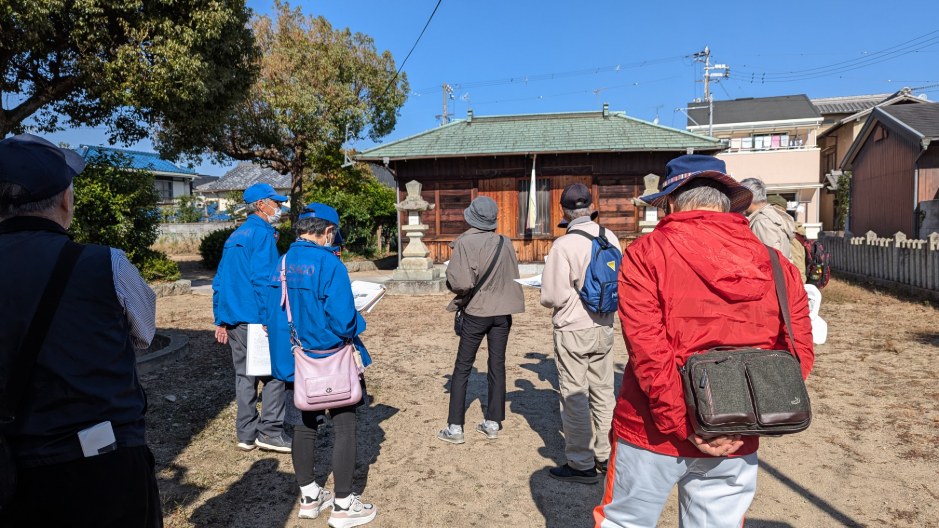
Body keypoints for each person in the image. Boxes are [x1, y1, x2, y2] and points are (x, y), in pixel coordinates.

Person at [594, 155, 814, 528]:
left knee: (625, 523)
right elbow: (796, 355)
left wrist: (688, 423)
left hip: (653, 427)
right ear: (727, 201)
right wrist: (734, 420)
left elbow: (648, 350)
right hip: (737, 429)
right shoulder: (778, 264)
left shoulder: (646, 254)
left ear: (672, 201)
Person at [0, 134, 162, 527]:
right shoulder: (107, 263)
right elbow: (144, 334)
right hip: (103, 467)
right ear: (65, 200)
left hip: (9, 470)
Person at [264, 203, 377, 527]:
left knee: (303, 424)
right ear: (328, 232)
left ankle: (310, 497)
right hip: (330, 359)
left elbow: (270, 314)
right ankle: (343, 505)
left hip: (293, 361)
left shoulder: (281, 263)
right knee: (344, 425)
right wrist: (359, 319)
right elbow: (343, 322)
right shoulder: (329, 265)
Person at [540, 183, 622, 484]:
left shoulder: (565, 245)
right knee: (603, 391)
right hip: (604, 324)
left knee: (574, 394)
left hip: (574, 326)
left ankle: (580, 462)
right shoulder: (609, 235)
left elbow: (553, 296)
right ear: (591, 206)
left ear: (564, 211)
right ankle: (606, 454)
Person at [438, 196, 525, 444]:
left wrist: (450, 277)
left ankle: (455, 427)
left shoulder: (465, 243)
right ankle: (493, 422)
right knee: (497, 364)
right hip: (503, 312)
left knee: (463, 366)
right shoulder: (504, 241)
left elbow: (461, 283)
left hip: (477, 311)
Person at [212, 182, 291, 453]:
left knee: (245, 376)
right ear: (261, 205)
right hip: (255, 318)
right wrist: (270, 318)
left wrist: (220, 319)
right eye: (276, 203)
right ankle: (270, 431)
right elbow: (264, 280)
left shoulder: (235, 236)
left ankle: (245, 434)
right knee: (274, 375)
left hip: (234, 318)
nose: (279, 208)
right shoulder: (261, 235)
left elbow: (219, 279)